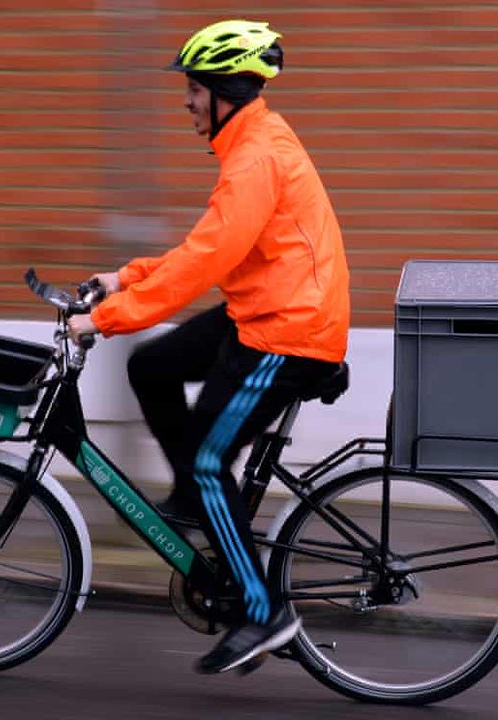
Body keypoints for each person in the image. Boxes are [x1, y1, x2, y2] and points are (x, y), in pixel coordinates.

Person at [67, 18, 350, 675]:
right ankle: (200, 502)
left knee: (204, 457)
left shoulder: (255, 159)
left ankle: (264, 613)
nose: (187, 102)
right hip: (264, 311)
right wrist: (126, 277)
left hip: (289, 332)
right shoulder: (251, 146)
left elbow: (202, 264)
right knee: (153, 366)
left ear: (225, 90)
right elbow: (207, 248)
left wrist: (104, 318)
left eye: (194, 90)